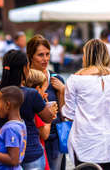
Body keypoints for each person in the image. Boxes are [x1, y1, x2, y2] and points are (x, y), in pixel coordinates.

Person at [62, 39, 110, 169]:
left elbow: (69, 114)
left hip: (84, 144)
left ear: (86, 55)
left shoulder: (75, 80)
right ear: (106, 55)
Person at [0, 50, 57, 170]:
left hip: (0, 153)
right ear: (25, 68)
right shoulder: (31, 94)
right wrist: (50, 109)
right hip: (29, 152)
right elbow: (48, 118)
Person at [27, 35, 66, 170]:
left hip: (55, 138)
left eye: (47, 54)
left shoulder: (56, 79)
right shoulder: (26, 80)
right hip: (33, 140)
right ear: (31, 56)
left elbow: (64, 114)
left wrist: (61, 92)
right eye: (40, 55)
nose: (45, 59)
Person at [25, 69, 51, 170]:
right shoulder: (36, 111)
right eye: (44, 90)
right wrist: (49, 115)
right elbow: (45, 134)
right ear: (37, 90)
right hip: (35, 153)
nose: (46, 94)